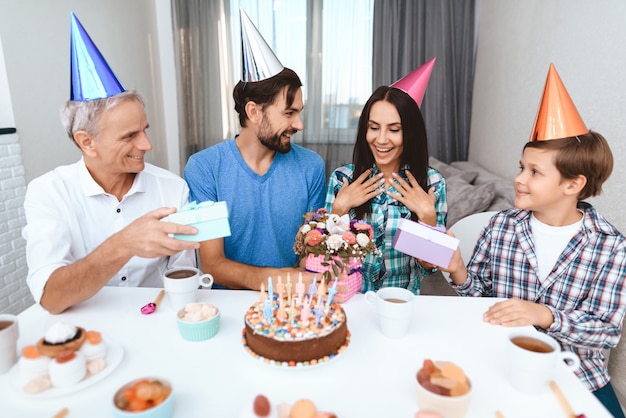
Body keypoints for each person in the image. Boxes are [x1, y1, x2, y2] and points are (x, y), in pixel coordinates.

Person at [443, 64, 626, 417]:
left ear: (573, 184)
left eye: (534, 172)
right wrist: (459, 271)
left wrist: (544, 315)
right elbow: (479, 300)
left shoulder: (610, 246)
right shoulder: (501, 227)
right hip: (502, 362)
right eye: (521, 167)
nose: (518, 179)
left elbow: (605, 332)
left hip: (577, 375)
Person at [22, 13, 199, 315]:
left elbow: (184, 278)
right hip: (84, 335)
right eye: (130, 136)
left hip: (156, 322)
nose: (147, 145)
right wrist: (124, 244)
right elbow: (50, 298)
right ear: (86, 142)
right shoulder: (48, 193)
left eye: (145, 130)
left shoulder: (172, 188)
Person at [184, 10, 325, 290]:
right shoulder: (204, 169)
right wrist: (280, 280)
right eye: (289, 113)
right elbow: (212, 265)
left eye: (299, 112)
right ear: (254, 111)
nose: (299, 124)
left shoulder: (312, 167)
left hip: (292, 304)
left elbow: (312, 250)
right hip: (228, 307)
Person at [325, 58, 447, 294]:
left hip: (402, 301)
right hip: (350, 298)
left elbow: (430, 266)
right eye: (373, 127)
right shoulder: (341, 179)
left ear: (410, 133)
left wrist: (427, 217)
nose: (381, 139)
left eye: (394, 129)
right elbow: (326, 259)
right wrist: (338, 210)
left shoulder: (432, 183)